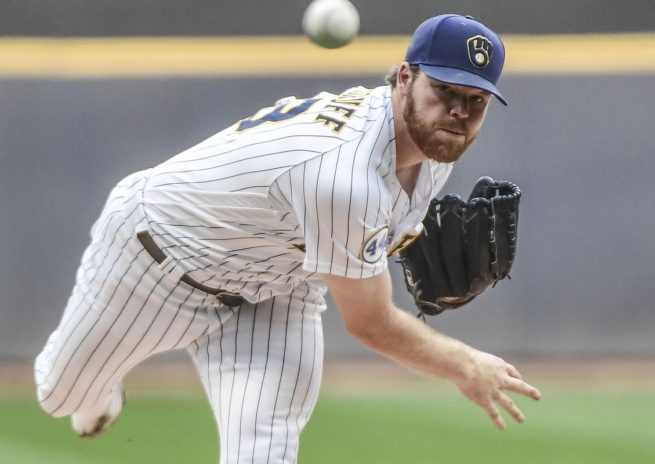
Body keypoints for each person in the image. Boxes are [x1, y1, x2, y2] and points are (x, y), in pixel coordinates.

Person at [34, 13, 541, 463]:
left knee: (265, 448)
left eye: (475, 100)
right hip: (156, 259)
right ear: (404, 78)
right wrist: (464, 364)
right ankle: (97, 391)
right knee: (60, 394)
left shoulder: (433, 148)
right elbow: (371, 323)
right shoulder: (344, 175)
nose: (458, 112)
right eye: (446, 91)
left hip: (280, 282)